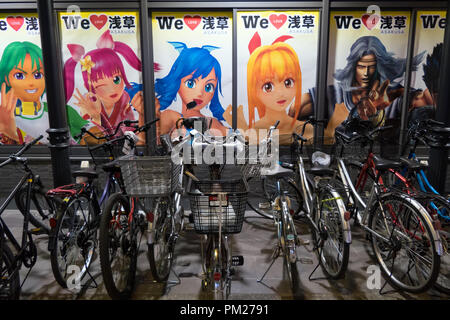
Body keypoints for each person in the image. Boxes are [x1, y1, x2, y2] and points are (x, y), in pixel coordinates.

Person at [290, 36, 428, 138]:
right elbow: (294, 110)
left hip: (379, 154)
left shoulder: (393, 93)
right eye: (362, 67)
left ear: (379, 67)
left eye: (371, 67)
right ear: (353, 67)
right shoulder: (334, 94)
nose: (366, 73)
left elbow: (423, 101)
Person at [223, 32, 313, 144]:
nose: (280, 93)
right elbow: (251, 154)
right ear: (254, 90)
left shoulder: (307, 128)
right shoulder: (255, 130)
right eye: (268, 86)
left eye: (288, 82)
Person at [63, 30, 145, 142]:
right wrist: (96, 117)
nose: (112, 89)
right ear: (89, 86)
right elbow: (92, 140)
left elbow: (131, 132)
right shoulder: (88, 102)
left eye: (116, 79)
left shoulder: (124, 99)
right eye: (101, 85)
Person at [0, 41, 87, 144]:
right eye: (19, 76)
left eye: (37, 75)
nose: (31, 83)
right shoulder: (3, 117)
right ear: (6, 78)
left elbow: (91, 139)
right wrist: (8, 133)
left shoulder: (64, 112)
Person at [155, 42, 228, 137]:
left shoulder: (213, 122)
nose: (200, 93)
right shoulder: (171, 116)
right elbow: (151, 141)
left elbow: (240, 138)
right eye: (191, 83)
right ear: (177, 82)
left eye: (208, 87)